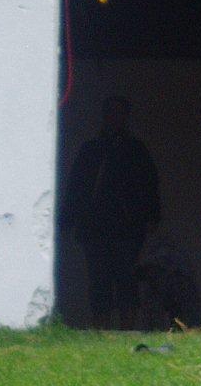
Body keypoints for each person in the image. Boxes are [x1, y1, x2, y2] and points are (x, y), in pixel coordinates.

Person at [63, 96, 160, 328]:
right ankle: (101, 333)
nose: (114, 119)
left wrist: (152, 218)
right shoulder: (90, 151)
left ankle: (127, 331)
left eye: (119, 113)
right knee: (99, 281)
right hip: (95, 229)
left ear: (126, 117)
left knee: (127, 280)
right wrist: (67, 222)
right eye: (110, 113)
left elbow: (149, 186)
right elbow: (76, 188)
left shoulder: (136, 151)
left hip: (128, 229)